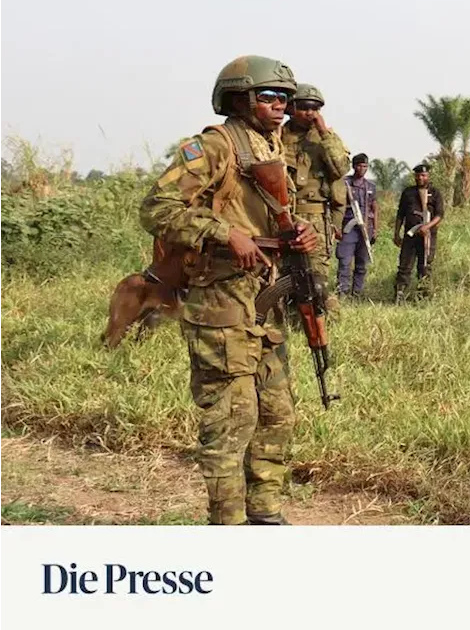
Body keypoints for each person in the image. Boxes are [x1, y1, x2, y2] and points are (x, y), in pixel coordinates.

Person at [138, 55, 320, 525]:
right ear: (240, 98)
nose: (280, 105)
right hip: (220, 301)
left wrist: (300, 231)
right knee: (230, 420)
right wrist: (224, 233)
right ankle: (228, 525)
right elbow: (157, 209)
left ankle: (264, 513)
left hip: (264, 296)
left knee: (277, 413)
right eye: (269, 97)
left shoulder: (270, 146)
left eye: (285, 98)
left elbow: (273, 215)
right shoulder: (213, 147)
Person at [281, 83, 351, 312]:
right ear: (291, 108)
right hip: (281, 216)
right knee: (281, 277)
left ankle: (324, 322)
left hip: (315, 220)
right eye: (304, 107)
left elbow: (341, 168)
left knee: (316, 280)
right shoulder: (275, 136)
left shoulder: (326, 139)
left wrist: (324, 132)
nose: (310, 112)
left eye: (315, 107)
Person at [394, 163, 444, 302]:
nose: (420, 178)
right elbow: (400, 214)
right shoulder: (408, 192)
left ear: (428, 176)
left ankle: (423, 296)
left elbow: (439, 215)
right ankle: (400, 294)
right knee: (405, 265)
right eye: (417, 175)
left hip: (428, 236)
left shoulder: (435, 193)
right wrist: (396, 234)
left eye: (423, 175)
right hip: (410, 236)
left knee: (425, 266)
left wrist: (427, 226)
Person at [336, 153, 377, 298]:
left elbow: (374, 208)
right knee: (345, 262)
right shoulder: (344, 183)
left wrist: (375, 230)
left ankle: (357, 293)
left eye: (365, 166)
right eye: (359, 165)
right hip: (348, 228)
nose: (362, 169)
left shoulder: (370, 186)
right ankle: (342, 293)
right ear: (354, 166)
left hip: (365, 229)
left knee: (361, 264)